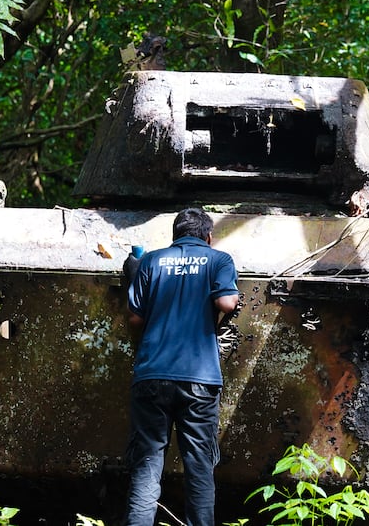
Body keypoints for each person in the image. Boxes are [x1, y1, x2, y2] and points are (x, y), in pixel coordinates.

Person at [123, 207, 239, 526]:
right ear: (208, 237)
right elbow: (227, 303)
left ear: (174, 237)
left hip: (151, 375)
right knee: (199, 467)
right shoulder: (219, 260)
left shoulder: (151, 260)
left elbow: (135, 318)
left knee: (146, 468)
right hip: (199, 379)